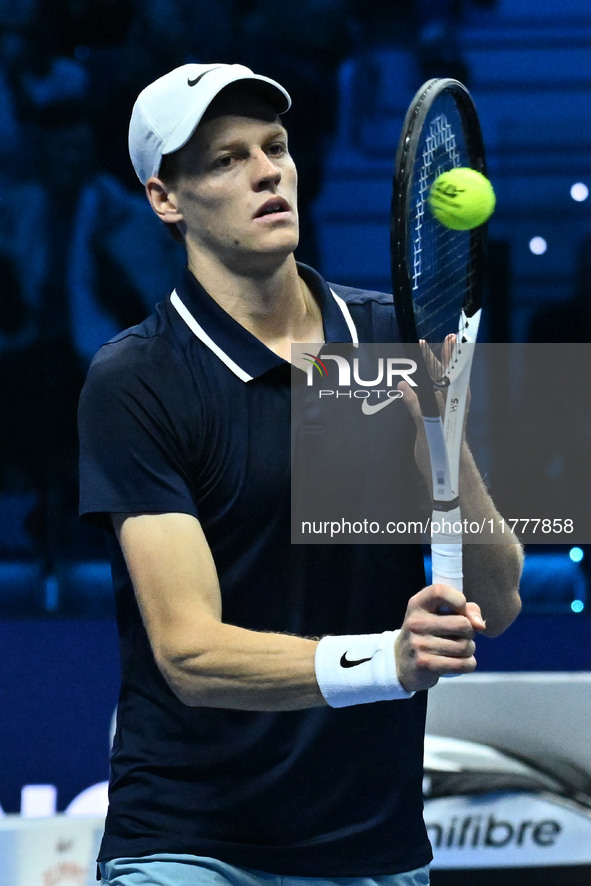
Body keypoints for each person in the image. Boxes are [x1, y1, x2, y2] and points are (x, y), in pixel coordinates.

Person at [78, 63, 523, 886]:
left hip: (373, 850)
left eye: (274, 147)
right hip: (190, 846)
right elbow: (190, 654)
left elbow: (494, 604)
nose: (264, 171)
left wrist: (440, 440)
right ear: (164, 198)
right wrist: (386, 659)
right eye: (223, 159)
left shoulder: (385, 334)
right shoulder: (138, 380)